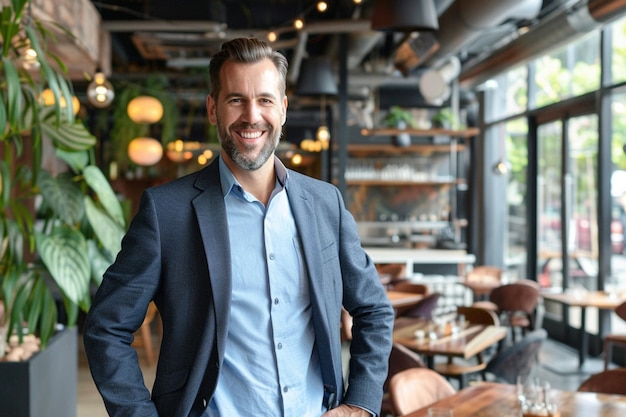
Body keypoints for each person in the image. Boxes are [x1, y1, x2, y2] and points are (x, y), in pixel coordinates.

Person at [83, 37, 395, 417]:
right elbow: (106, 327)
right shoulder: (167, 211)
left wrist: (360, 403)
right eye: (236, 100)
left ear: (282, 109)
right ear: (213, 109)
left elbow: (374, 310)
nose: (251, 116)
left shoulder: (325, 203)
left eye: (264, 100)